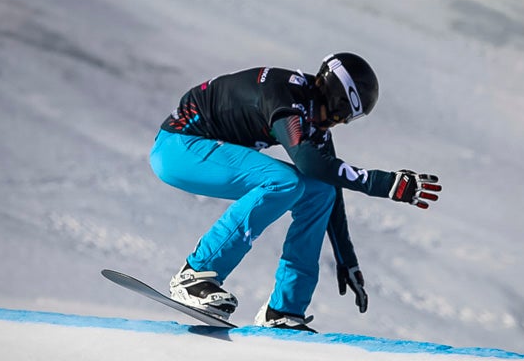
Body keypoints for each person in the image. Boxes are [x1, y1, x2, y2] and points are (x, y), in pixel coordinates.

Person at [149, 53, 441, 331]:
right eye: (341, 112)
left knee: (319, 192)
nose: (339, 122)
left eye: (348, 119)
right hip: (178, 148)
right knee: (284, 181)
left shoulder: (314, 117)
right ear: (331, 93)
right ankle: (195, 273)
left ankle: (284, 310)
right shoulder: (285, 96)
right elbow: (310, 162)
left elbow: (329, 183)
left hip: (201, 150)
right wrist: (385, 183)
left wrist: (347, 259)